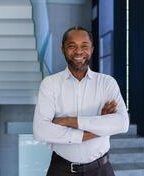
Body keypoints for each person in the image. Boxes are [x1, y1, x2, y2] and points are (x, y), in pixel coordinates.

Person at [33, 26, 129, 176]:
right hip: (61, 170)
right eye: (72, 46)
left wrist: (69, 121)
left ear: (92, 49)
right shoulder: (50, 84)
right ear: (63, 49)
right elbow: (40, 131)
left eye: (84, 46)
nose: (78, 51)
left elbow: (122, 123)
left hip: (101, 170)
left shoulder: (107, 83)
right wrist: (100, 126)